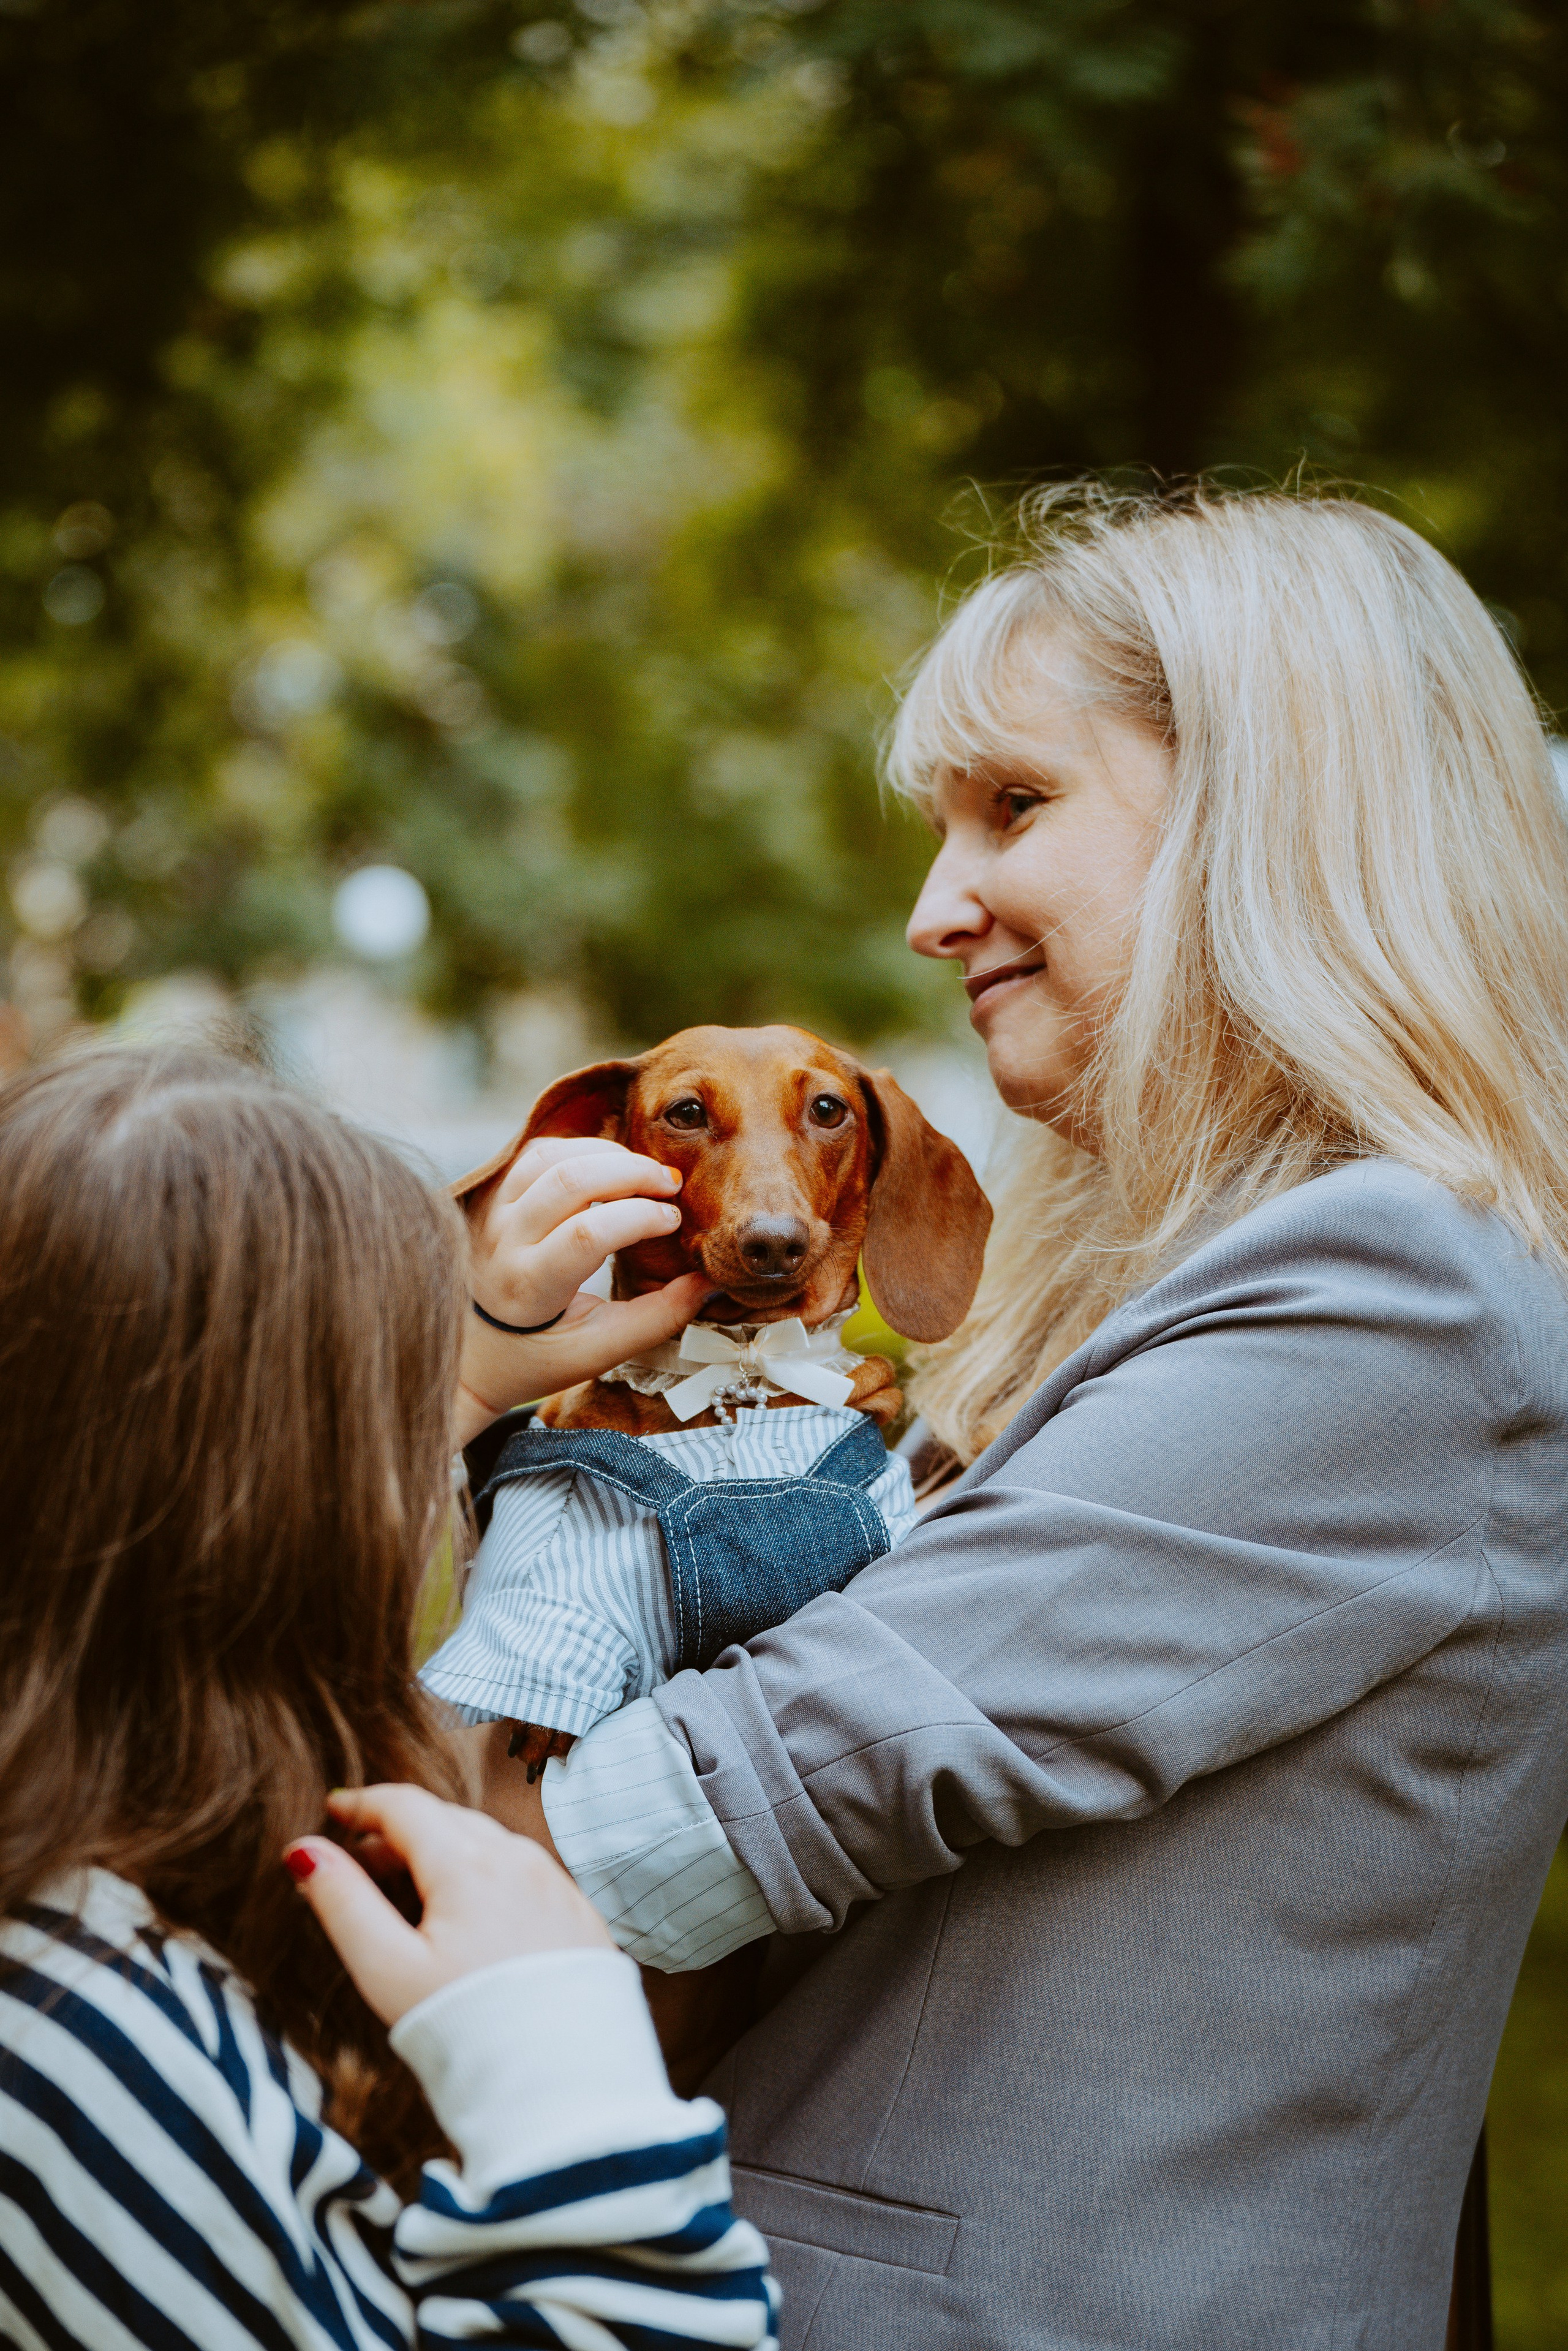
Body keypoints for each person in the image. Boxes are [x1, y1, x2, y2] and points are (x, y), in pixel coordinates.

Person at [462, 485, 1568, 2349]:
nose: (930, 910)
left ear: (1264, 815)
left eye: (1015, 806)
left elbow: (724, 1798)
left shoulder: (1396, 1289)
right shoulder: (1213, 1280)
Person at [0, 1044, 776, 2351]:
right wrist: (561, 2069)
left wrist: (472, 1373)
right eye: (407, 1405)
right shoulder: (74, 2039)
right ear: (298, 1503)